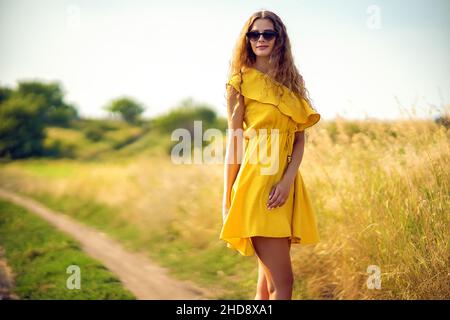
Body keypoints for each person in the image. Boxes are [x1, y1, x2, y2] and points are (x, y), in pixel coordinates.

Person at [219, 10, 321, 300]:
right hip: (257, 183)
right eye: (254, 34)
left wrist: (288, 180)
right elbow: (235, 142)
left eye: (267, 34)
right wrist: (227, 198)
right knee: (283, 284)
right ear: (247, 40)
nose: (260, 39)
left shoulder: (292, 81)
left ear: (279, 39)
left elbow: (299, 137)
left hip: (284, 186)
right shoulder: (239, 83)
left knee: (266, 285)